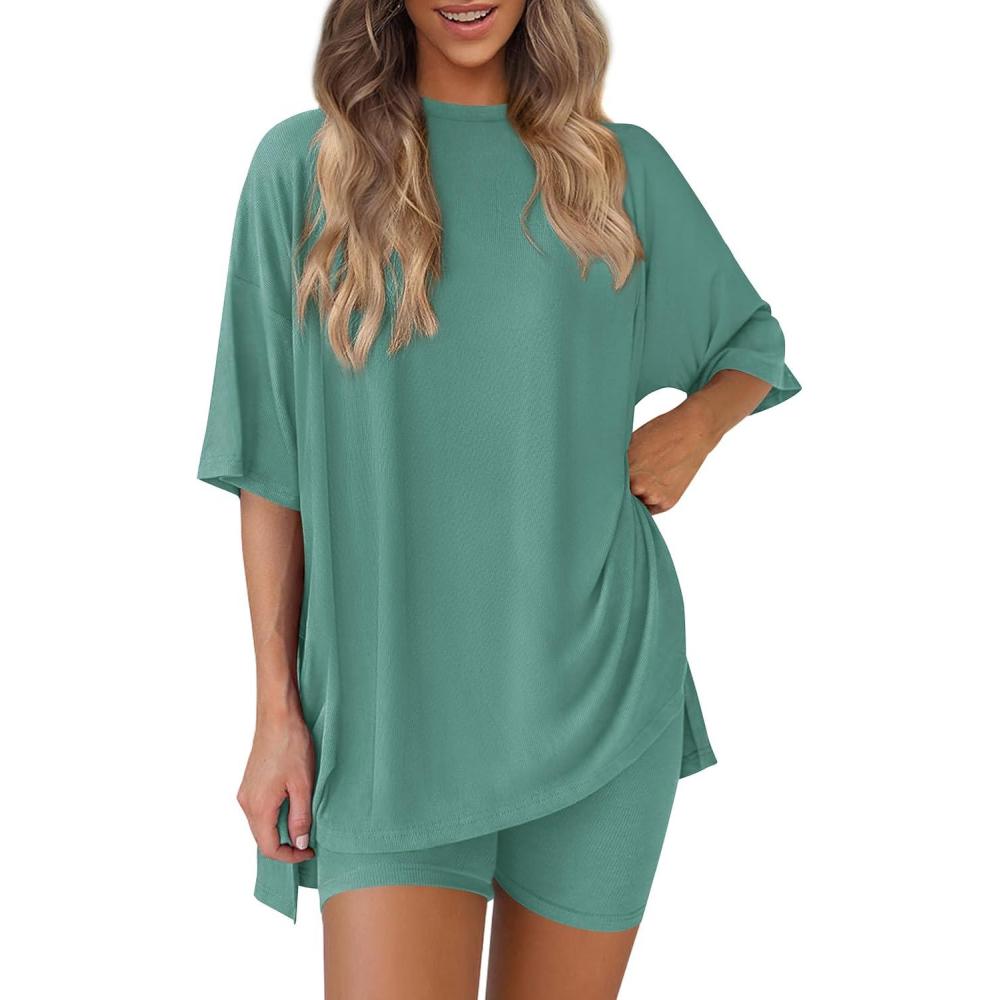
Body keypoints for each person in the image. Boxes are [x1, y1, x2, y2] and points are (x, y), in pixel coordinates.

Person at [196, 1, 801, 996]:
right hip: (386, 727)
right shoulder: (304, 169)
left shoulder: (613, 171)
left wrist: (693, 430)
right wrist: (275, 714)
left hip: (599, 697)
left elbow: (752, 342)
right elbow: (270, 466)